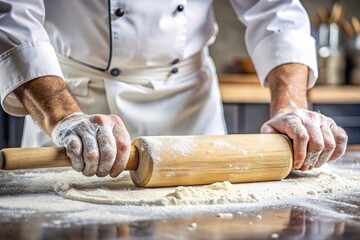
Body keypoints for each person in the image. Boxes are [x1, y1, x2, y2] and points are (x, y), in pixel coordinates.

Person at [0, 0, 347, 178]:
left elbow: (275, 10)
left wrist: (290, 105)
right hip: (74, 104)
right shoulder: (69, 114)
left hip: (189, 106)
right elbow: (12, 15)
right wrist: (65, 117)